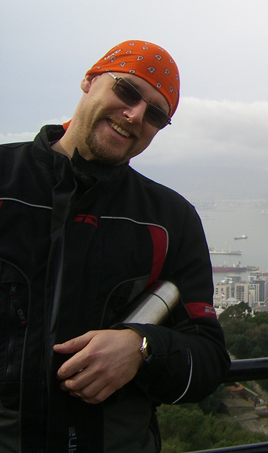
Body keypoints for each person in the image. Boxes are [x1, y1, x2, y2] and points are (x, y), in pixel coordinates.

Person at [0, 40, 230, 452]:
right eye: (127, 91)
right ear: (89, 81)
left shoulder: (170, 220)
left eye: (156, 115)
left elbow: (209, 363)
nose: (136, 114)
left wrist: (142, 348)